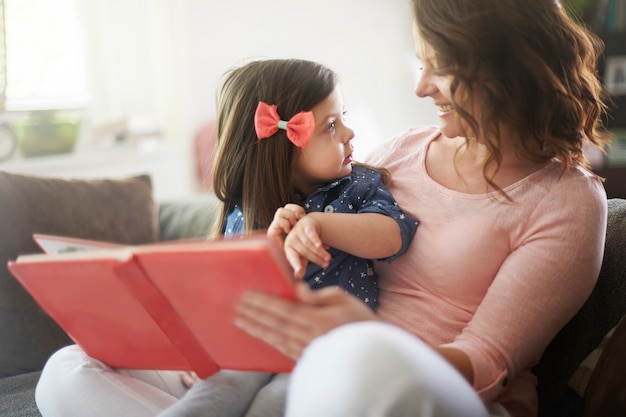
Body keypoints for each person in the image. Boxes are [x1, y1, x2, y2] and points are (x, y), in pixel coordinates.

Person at [233, 1, 611, 417]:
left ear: (506, 67)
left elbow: (489, 363)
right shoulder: (402, 149)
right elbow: (314, 216)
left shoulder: (567, 199)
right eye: (421, 64)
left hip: (451, 396)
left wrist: (368, 340)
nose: (422, 87)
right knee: (156, 371)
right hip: (335, 372)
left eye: (441, 67)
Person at [34, 58, 417, 417]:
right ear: (283, 144)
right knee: (65, 368)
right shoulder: (241, 213)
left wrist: (319, 224)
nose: (350, 132)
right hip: (244, 354)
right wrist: (198, 350)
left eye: (343, 116)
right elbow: (220, 302)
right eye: (331, 125)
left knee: (272, 400)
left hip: (318, 355)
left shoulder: (358, 187)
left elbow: (391, 236)